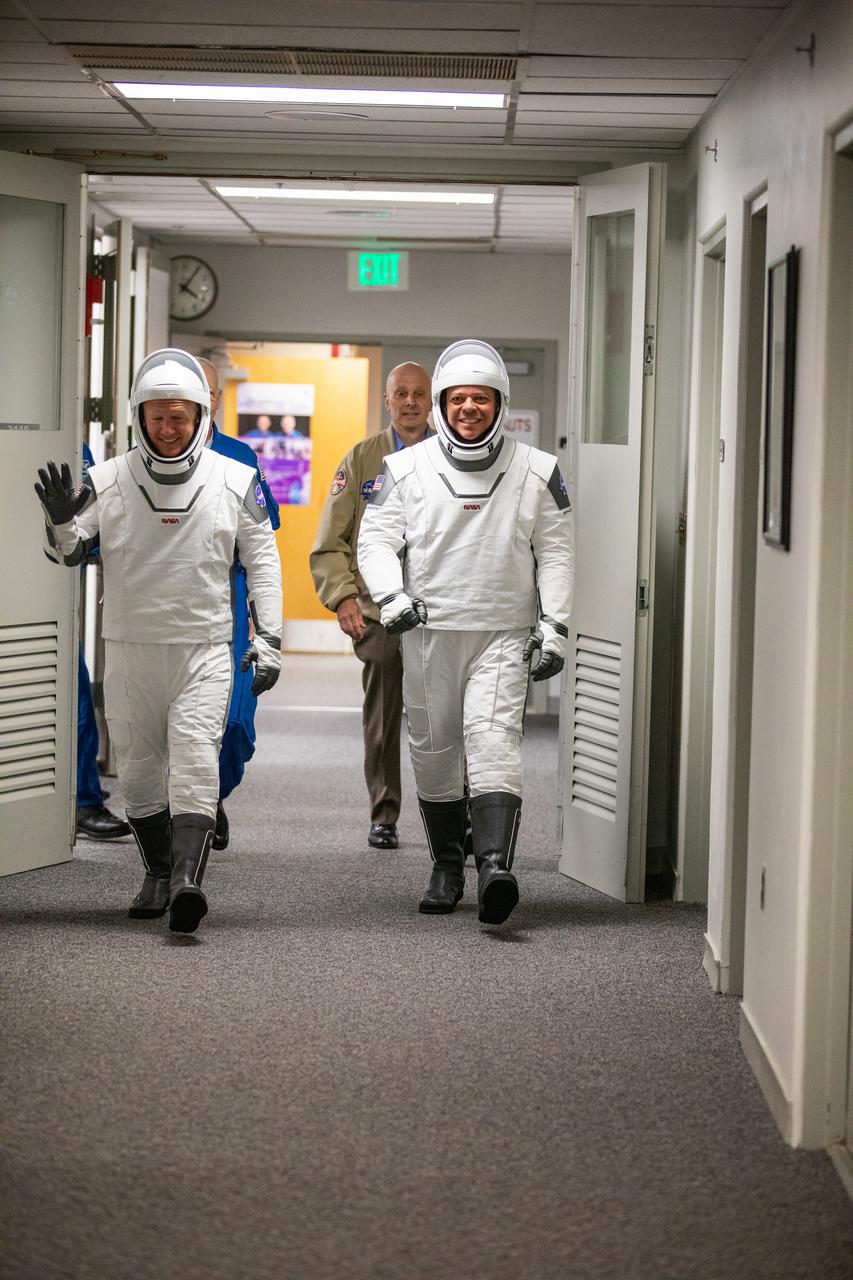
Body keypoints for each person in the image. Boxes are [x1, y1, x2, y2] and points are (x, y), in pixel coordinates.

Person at [35, 349, 283, 934]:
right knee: (143, 775)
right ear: (139, 417)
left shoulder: (236, 478)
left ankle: (186, 883)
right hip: (129, 648)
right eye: (157, 417)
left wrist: (269, 639)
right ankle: (158, 870)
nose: (168, 429)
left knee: (196, 762)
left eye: (180, 417)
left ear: (200, 415)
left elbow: (265, 563)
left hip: (203, 648)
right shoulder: (110, 479)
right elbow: (69, 553)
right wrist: (58, 520)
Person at [358, 340, 574, 925]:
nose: (469, 409)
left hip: (504, 630)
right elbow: (374, 541)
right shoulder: (403, 469)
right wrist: (390, 596)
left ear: (500, 404)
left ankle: (495, 866)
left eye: (481, 399)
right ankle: (447, 866)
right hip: (428, 630)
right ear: (443, 406)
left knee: (494, 740)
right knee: (434, 750)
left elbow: (555, 554)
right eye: (459, 399)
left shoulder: (537, 472)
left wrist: (554, 626)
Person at [310, 363, 432, 850]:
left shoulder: (453, 456)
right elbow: (330, 540)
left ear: (431, 400)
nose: (409, 403)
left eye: (418, 394)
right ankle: (384, 813)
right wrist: (342, 596)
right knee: (382, 719)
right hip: (380, 616)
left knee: (446, 719)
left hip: (438, 613)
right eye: (400, 394)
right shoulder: (362, 459)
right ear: (387, 401)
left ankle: (457, 816)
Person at [197, 358, 281, 851]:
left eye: (210, 392)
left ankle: (215, 794)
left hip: (230, 600)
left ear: (218, 399)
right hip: (172, 603)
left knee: (235, 723)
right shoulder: (143, 457)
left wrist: (263, 618)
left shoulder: (239, 455)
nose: (203, 399)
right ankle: (193, 810)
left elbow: (263, 540)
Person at [74, 440, 132, 842]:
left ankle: (82, 798)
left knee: (75, 699)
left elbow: (93, 517)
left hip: (51, 600)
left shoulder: (72, 446)